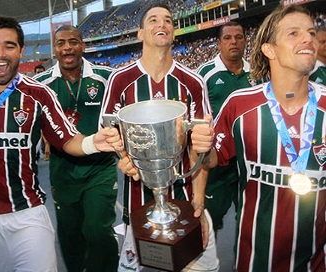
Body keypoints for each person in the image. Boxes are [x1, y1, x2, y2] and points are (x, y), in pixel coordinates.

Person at [0, 16, 122, 272]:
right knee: (71, 235)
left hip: (28, 213)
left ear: (21, 51)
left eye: (9, 46)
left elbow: (69, 139)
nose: (0, 53)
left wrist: (96, 141)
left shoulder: (38, 93)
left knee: (95, 231)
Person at [191, 4, 326, 271]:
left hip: (316, 260)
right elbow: (211, 160)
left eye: (311, 32)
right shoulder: (240, 105)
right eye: (294, 33)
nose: (308, 38)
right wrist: (202, 146)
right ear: (269, 49)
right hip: (255, 258)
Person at [102, 3, 219, 271]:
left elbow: (199, 147)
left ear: (174, 32)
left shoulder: (192, 81)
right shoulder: (120, 80)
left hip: (186, 200)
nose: (162, 24)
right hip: (139, 203)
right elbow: (110, 135)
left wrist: (198, 204)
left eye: (167, 20)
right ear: (140, 33)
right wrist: (122, 158)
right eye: (153, 20)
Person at [33, 25, 119, 272]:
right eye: (61, 43)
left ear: (83, 45)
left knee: (97, 230)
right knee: (70, 235)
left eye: (73, 42)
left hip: (100, 168)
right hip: (63, 171)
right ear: (55, 49)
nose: (67, 47)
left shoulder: (105, 77)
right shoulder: (41, 83)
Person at [195, 21, 259, 234]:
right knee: (209, 221)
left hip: (248, 161)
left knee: (250, 220)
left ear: (245, 40)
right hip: (217, 163)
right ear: (219, 43)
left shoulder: (257, 73)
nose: (234, 42)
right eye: (228, 38)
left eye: (239, 37)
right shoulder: (204, 75)